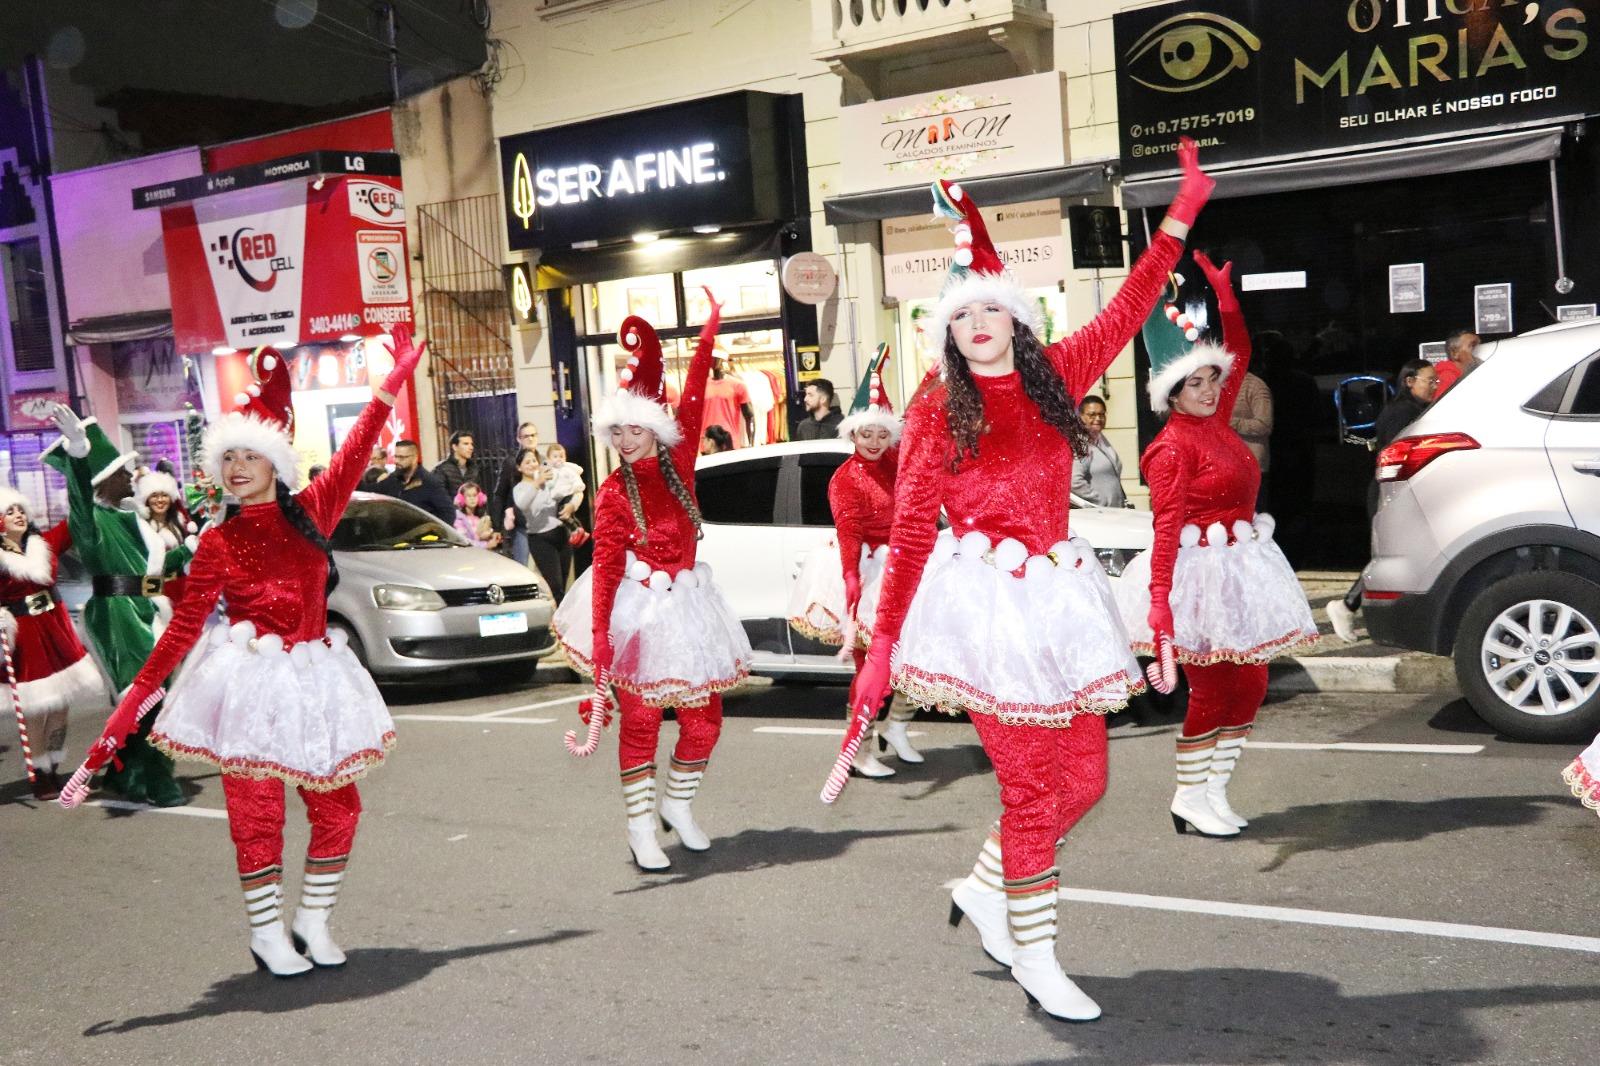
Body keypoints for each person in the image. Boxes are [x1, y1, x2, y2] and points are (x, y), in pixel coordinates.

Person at [835, 141, 1214, 1023]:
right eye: (959, 315)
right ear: (949, 331)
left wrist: (1181, 216)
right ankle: (1036, 952)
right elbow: (911, 529)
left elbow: (1126, 308)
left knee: (1086, 780)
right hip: (984, 610)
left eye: (988, 311)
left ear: (1014, 319)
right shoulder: (934, 408)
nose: (975, 324)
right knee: (1033, 789)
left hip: (1058, 597)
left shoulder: (1059, 379)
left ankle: (982, 889)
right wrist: (881, 645)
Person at [61, 332, 425, 978]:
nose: (234, 468)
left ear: (276, 464)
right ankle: (265, 931)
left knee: (339, 808)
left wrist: (392, 380)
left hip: (317, 676)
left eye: (248, 456)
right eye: (225, 456)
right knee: (256, 810)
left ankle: (312, 917)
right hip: (249, 682)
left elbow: (359, 445)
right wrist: (118, 727)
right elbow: (178, 638)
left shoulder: (315, 509)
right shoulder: (217, 544)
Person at [1115, 251, 1318, 841]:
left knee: (1252, 684)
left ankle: (1213, 791)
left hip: (1242, 566)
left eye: (1210, 380)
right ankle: (1187, 795)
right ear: (1170, 394)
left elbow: (1243, 354)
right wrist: (1159, 607)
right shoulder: (1172, 448)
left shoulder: (1219, 419)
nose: (1207, 391)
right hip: (1197, 578)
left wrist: (1228, 303)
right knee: (1212, 691)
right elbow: (1164, 529)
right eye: (1193, 384)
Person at [551, 296, 752, 872]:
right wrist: (603, 645)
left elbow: (691, 392)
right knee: (641, 722)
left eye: (636, 427)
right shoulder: (613, 492)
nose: (626, 438)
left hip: (689, 607)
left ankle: (678, 805)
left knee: (704, 720)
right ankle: (640, 827)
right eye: (617, 429)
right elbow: (608, 567)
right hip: (636, 613)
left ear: (656, 429)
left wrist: (710, 330)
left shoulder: (680, 464)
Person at [42, 414, 191, 807]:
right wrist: (77, 455)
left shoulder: (130, 518)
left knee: (146, 699)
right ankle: (158, 780)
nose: (131, 478)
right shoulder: (93, 521)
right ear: (103, 481)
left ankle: (125, 773)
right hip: (117, 617)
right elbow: (78, 503)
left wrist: (192, 549)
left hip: (144, 610)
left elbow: (149, 575)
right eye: (123, 472)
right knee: (149, 699)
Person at [788, 345, 917, 778]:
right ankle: (859, 749)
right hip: (868, 572)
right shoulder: (845, 479)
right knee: (869, 667)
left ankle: (896, 727)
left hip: (904, 568)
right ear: (852, 435)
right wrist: (850, 578)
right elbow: (850, 533)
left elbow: (916, 436)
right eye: (867, 434)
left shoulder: (895, 462)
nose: (875, 442)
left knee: (920, 653)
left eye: (883, 434)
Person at [0, 487, 106, 799]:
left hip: (56, 631)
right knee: (34, 709)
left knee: (60, 706)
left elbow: (75, 523)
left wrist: (86, 485)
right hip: (25, 638)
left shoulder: (43, 545)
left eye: (21, 509)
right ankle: (39, 773)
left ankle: (54, 765)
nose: (18, 514)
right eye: (10, 511)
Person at [1325, 358, 1438, 642]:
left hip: (1403, 491)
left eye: (1435, 381)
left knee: (1411, 555)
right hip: (1392, 492)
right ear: (1409, 381)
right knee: (1391, 556)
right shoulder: (1402, 412)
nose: (1434, 386)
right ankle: (1346, 605)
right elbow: (1396, 456)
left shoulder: (1416, 409)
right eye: (1429, 380)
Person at [135, 469, 199, 618]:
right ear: (147, 499)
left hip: (180, 586)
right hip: (154, 587)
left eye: (164, 495)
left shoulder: (179, 524)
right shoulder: (141, 526)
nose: (160, 500)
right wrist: (184, 552)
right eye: (154, 496)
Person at [511, 447, 571, 602]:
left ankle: (562, 621)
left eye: (534, 460)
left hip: (561, 533)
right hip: (540, 538)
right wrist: (537, 483)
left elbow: (565, 493)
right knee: (555, 586)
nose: (532, 464)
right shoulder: (520, 488)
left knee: (564, 584)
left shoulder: (548, 481)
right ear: (519, 467)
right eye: (527, 462)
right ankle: (557, 622)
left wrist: (571, 505)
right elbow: (523, 504)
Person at [373, 439, 455, 525]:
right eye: (396, 456)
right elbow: (372, 491)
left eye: (402, 457)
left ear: (415, 458)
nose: (396, 461)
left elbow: (448, 514)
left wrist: (429, 531)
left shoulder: (430, 482)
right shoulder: (392, 479)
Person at [491, 422, 540, 560]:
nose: (530, 439)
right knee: (522, 563)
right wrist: (496, 527)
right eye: (526, 436)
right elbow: (500, 494)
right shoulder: (511, 462)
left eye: (533, 435)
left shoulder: (541, 461)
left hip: (540, 522)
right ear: (519, 439)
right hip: (520, 523)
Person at [1070, 395, 1127, 508]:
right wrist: (1099, 502)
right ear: (1080, 416)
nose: (1098, 418)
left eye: (1101, 414)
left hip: (1114, 512)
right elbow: (1074, 482)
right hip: (1099, 514)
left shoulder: (1101, 440)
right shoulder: (1081, 443)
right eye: (1092, 414)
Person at [1229, 368, 1272, 510]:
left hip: (1250, 466)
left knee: (1252, 519)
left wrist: (1231, 423)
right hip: (1226, 466)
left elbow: (1264, 424)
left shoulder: (1255, 386)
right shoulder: (1216, 384)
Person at [704, 356, 755, 448]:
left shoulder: (738, 385)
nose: (714, 360)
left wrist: (751, 444)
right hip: (707, 443)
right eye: (712, 357)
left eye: (717, 357)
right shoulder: (701, 386)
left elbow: (749, 416)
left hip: (729, 442)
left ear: (723, 360)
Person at [433, 430, 483, 499]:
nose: (471, 447)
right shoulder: (441, 469)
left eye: (471, 444)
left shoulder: (474, 469)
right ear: (455, 447)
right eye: (466, 444)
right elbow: (439, 497)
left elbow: (479, 495)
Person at [1432, 329, 1480, 398]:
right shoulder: (1447, 379)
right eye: (1472, 346)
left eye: (1479, 345)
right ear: (1455, 353)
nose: (1479, 350)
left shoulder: (1467, 376)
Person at [453, 481, 500, 549]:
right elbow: (463, 541)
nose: (472, 498)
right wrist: (485, 545)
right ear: (461, 499)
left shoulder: (481, 517)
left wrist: (491, 536)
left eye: (475, 495)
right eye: (468, 496)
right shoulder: (459, 519)